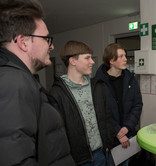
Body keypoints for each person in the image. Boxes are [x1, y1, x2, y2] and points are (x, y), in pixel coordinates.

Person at [0, 0, 75, 165]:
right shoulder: (13, 82)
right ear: (23, 42)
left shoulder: (21, 79)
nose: (52, 46)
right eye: (47, 39)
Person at [50, 40, 114, 166]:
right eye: (87, 58)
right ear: (73, 61)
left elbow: (106, 117)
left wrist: (108, 143)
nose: (93, 62)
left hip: (101, 154)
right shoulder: (57, 93)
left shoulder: (97, 87)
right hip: (77, 159)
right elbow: (57, 132)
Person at [95, 43, 143, 166]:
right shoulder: (98, 82)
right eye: (121, 56)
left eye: (125, 56)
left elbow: (137, 105)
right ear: (111, 60)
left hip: (128, 135)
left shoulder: (131, 79)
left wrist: (127, 127)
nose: (125, 59)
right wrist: (117, 132)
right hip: (109, 138)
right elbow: (100, 111)